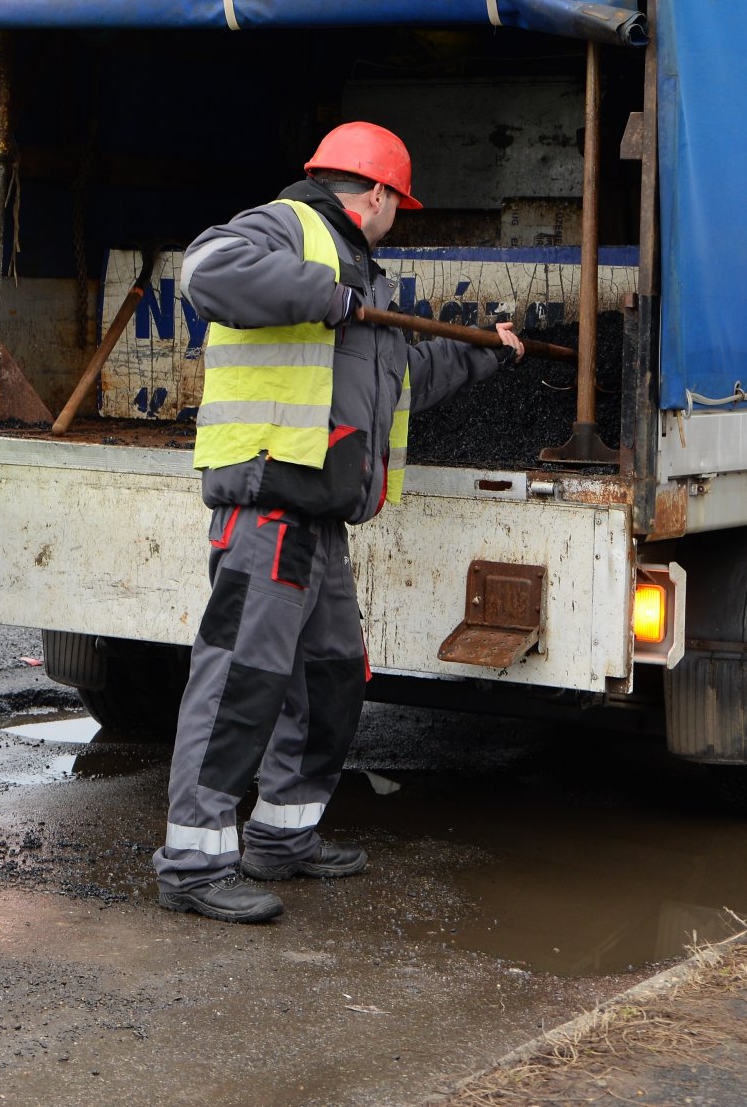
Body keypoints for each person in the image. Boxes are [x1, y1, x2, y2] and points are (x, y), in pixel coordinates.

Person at [154, 123, 526, 922]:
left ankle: (283, 836)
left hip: (319, 522)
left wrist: (487, 352)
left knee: (329, 678)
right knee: (239, 683)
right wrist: (330, 301)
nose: (400, 217)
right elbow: (207, 270)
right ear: (380, 194)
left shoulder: (366, 280)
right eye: (400, 203)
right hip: (267, 508)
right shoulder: (290, 227)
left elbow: (401, 373)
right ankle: (193, 862)